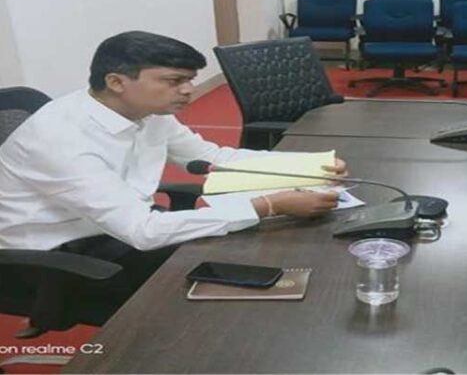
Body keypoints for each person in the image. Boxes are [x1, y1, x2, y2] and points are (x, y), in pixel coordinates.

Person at [0, 31, 347, 331]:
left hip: (120, 226)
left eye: (190, 79)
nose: (189, 90)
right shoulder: (61, 138)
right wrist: (269, 205)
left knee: (251, 254)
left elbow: (214, 157)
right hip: (60, 256)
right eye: (174, 81)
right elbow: (143, 232)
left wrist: (312, 166)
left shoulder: (147, 112)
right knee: (230, 288)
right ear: (117, 82)